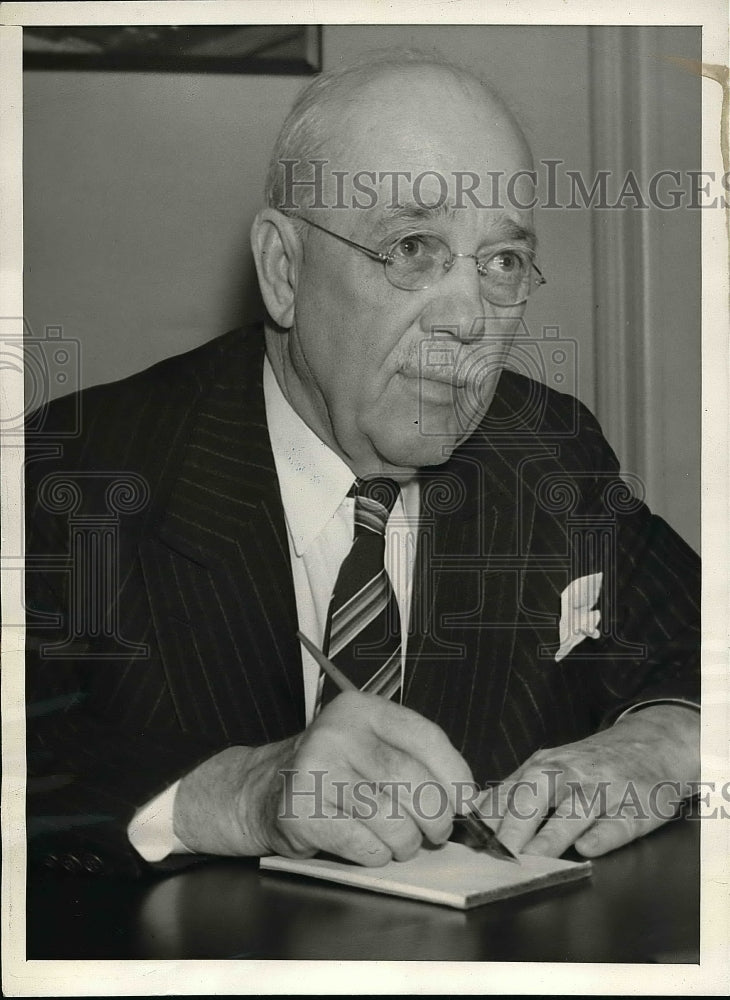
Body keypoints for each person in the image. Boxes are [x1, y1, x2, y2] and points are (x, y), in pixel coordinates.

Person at [25, 52, 699, 879]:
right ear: (284, 270)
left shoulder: (548, 450)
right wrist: (238, 793)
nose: (466, 319)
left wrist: (664, 742)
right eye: (413, 246)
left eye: (502, 263)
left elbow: (699, 643)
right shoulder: (77, 474)